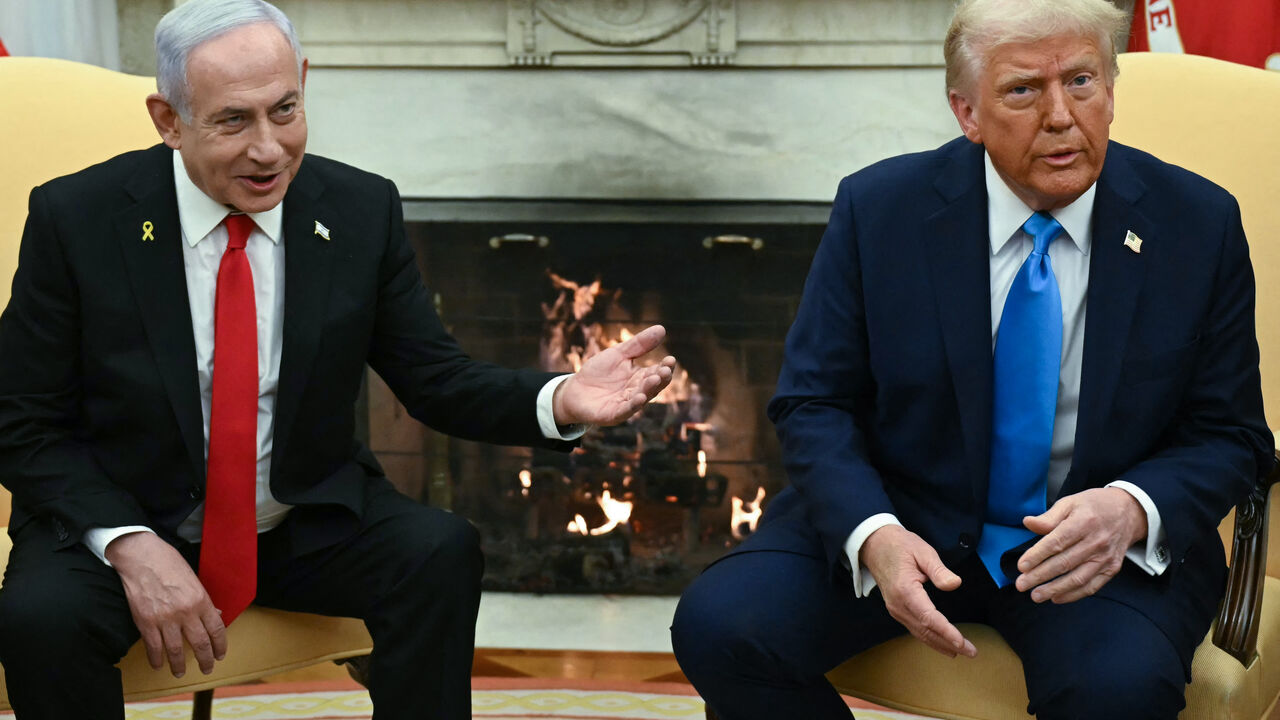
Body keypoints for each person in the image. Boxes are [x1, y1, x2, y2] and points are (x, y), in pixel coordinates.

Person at [0, 0, 676, 717]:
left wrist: (560, 399)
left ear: (304, 84)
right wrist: (131, 544)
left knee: (436, 550)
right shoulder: (78, 218)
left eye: (285, 109)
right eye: (234, 120)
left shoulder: (358, 209)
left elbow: (436, 380)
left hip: (297, 523)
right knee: (43, 619)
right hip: (124, 516)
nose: (269, 149)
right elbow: (20, 415)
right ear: (169, 120)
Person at [671, 0, 1275, 717]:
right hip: (904, 511)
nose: (1060, 115)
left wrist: (1130, 509)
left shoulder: (1196, 224)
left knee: (1117, 689)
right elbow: (814, 401)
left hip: (1090, 546)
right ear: (967, 112)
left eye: (1081, 81)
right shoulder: (880, 210)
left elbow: (1231, 434)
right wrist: (874, 535)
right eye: (1023, 90)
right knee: (723, 626)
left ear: (1111, 90)